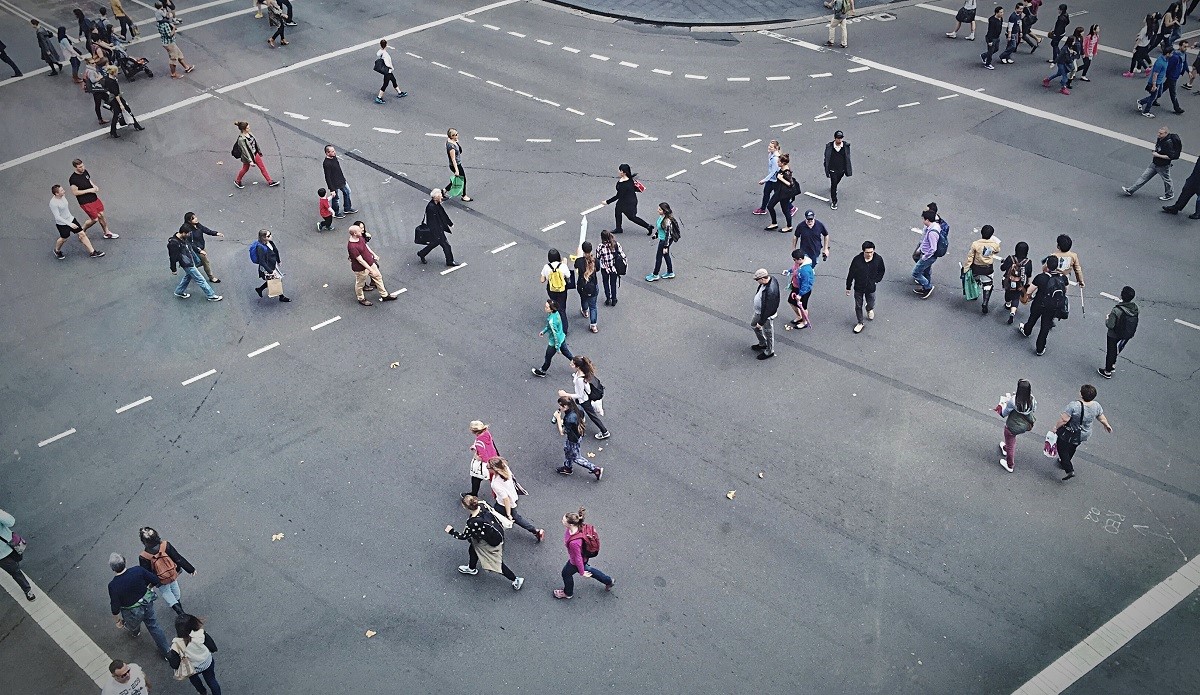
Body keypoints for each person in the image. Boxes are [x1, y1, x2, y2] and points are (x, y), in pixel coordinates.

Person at [444, 495, 524, 590]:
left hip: (486, 542)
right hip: (492, 535)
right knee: (473, 550)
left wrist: (451, 531)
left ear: (465, 507)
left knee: (495, 562)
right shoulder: (482, 505)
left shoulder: (473, 522)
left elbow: (464, 536)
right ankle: (471, 567)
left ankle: (515, 579)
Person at [108, 552, 171, 656]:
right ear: (124, 562)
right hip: (146, 603)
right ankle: (166, 651)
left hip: (131, 611)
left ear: (112, 568)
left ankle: (135, 631)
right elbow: (155, 580)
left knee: (132, 624)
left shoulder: (113, 585)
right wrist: (148, 588)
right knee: (153, 625)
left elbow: (115, 608)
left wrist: (118, 621)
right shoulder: (138, 570)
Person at [1052, 385, 1112, 481]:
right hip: (1083, 433)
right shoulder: (1096, 405)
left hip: (1070, 433)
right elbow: (1100, 416)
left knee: (1062, 448)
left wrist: (1055, 428)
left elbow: (1064, 420)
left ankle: (1068, 469)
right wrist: (1106, 424)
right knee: (1073, 446)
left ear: (1081, 394)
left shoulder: (1074, 406)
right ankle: (1065, 461)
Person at [553, 508, 614, 599]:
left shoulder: (574, 543)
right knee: (587, 569)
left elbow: (578, 558)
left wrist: (582, 572)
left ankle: (568, 593)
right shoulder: (578, 527)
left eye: (564, 520)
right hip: (584, 556)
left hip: (575, 561)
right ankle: (608, 581)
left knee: (566, 574)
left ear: (571, 524)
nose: (562, 521)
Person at [137, 527, 195, 616]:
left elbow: (146, 573)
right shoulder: (166, 545)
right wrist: (190, 569)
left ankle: (179, 610)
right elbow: (178, 558)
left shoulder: (144, 556)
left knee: (167, 593)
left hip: (159, 580)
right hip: (172, 573)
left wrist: (149, 585)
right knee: (175, 588)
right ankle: (178, 603)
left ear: (144, 542)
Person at [1017, 255, 1067, 356]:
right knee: (1045, 326)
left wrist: (1029, 297)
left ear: (1047, 266)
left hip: (1039, 303)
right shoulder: (1063, 278)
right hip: (1052, 306)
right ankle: (1040, 348)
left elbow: (1029, 291)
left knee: (1033, 318)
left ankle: (1027, 331)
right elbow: (1064, 291)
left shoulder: (1041, 277)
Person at [487, 457, 544, 542]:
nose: (487, 468)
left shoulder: (496, 484)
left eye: (488, 467)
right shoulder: (505, 468)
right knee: (502, 515)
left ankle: (535, 531)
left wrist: (508, 514)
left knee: (504, 517)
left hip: (503, 504)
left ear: (494, 469)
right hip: (512, 496)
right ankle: (535, 531)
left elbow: (505, 499)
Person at [347, 223, 400, 306]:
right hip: (361, 269)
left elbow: (365, 246)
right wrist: (371, 270)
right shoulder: (352, 246)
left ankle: (384, 295)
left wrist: (373, 254)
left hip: (370, 263)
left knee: (378, 277)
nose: (362, 231)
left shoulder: (360, 238)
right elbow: (360, 261)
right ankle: (361, 298)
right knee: (360, 284)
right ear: (354, 233)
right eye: (359, 230)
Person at [558, 355, 610, 439]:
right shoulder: (584, 372)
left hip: (584, 400)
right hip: (582, 399)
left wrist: (565, 394)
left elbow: (580, 395)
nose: (570, 364)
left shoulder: (580, 380)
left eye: (572, 364)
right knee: (578, 407)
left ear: (578, 366)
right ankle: (581, 417)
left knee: (592, 416)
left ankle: (604, 432)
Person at [169, 614, 221, 695]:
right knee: (211, 680)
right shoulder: (200, 634)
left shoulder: (176, 644)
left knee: (195, 680)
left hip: (192, 668)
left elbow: (174, 664)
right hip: (207, 662)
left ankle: (202, 691)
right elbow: (212, 647)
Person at [553, 396, 602, 480]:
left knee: (576, 458)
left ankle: (595, 469)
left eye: (561, 406)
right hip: (577, 434)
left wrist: (558, 418)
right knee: (567, 450)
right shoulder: (577, 409)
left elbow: (562, 432)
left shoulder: (569, 418)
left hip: (573, 439)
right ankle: (567, 467)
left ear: (566, 406)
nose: (559, 408)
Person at [1123, 126, 1180, 198]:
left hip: (1163, 165)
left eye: (1161, 133)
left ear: (1166, 133)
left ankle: (1169, 194)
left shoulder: (1169, 143)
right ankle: (1130, 190)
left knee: (1166, 180)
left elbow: (1170, 156)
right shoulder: (1160, 139)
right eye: (1159, 132)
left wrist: (1157, 155)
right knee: (1144, 177)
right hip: (1155, 163)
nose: (1158, 134)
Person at [50, 184, 103, 259]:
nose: (64, 191)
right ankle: (57, 250)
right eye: (62, 190)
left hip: (71, 219)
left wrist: (71, 222)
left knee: (82, 234)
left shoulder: (62, 196)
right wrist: (69, 224)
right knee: (64, 238)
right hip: (62, 224)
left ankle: (92, 252)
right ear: (56, 193)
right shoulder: (53, 203)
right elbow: (57, 217)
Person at [168, 227, 221, 301]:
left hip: (190, 261)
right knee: (201, 279)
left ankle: (179, 291)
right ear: (183, 233)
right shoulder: (174, 243)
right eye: (188, 233)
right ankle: (211, 295)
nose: (189, 235)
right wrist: (173, 269)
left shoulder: (183, 238)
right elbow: (172, 257)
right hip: (186, 263)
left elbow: (190, 245)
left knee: (188, 277)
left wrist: (199, 251)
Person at [70, 159, 118, 239]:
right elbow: (75, 192)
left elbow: (88, 180)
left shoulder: (85, 171)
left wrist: (94, 186)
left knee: (101, 214)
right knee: (95, 219)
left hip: (93, 197)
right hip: (85, 201)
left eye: (82, 165)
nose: (82, 168)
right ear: (75, 168)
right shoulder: (73, 179)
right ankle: (82, 230)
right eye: (80, 167)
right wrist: (89, 190)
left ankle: (107, 232)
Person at [1098, 286, 1139, 378]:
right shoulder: (1135, 308)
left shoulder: (1116, 310)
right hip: (1126, 333)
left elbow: (1110, 325)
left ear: (1122, 295)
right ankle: (1113, 365)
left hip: (1114, 334)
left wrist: (1107, 318)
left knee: (1111, 351)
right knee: (1117, 349)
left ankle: (1107, 371)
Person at [997, 379, 1036, 472]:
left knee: (1011, 443)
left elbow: (1004, 412)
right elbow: (1033, 409)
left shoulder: (1013, 401)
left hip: (1013, 425)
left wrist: (1001, 408)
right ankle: (1005, 448)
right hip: (1025, 424)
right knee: (1010, 440)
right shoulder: (1032, 400)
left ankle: (1009, 465)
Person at [846, 240, 885, 333]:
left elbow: (881, 270)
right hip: (859, 287)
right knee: (858, 305)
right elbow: (851, 273)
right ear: (863, 251)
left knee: (871, 302)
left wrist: (876, 280)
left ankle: (869, 308)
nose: (869, 254)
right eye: (867, 252)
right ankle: (860, 322)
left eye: (871, 252)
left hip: (871, 287)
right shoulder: (857, 260)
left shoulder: (878, 259)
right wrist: (848, 287)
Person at [602, 164, 653, 234]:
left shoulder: (624, 184)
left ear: (624, 173)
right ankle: (618, 228)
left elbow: (618, 196)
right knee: (618, 211)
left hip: (628, 203)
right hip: (626, 200)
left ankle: (648, 226)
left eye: (621, 171)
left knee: (632, 217)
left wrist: (607, 202)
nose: (619, 172)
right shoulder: (629, 180)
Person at [963, 224, 1001, 313]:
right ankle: (985, 302)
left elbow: (970, 257)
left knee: (975, 280)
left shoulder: (975, 244)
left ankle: (975, 294)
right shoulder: (994, 245)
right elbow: (997, 250)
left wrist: (966, 268)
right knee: (988, 285)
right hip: (988, 268)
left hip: (976, 267)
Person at [532, 299, 574, 377]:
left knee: (548, 357)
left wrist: (557, 347)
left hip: (554, 342)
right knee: (567, 353)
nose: (545, 308)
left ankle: (543, 371)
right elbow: (550, 327)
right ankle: (580, 365)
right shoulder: (556, 314)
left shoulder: (552, 320)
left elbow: (555, 335)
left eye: (547, 307)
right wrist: (544, 331)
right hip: (562, 337)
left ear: (551, 309)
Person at [0, 509, 34, 601]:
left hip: (12, 544)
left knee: (18, 559)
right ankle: (27, 589)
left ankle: (16, 565)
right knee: (15, 571)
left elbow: (11, 522)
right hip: (1, 557)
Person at [417, 189, 457, 266]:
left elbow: (443, 214)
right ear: (436, 197)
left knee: (434, 243)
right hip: (437, 230)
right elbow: (433, 222)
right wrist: (439, 232)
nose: (442, 197)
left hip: (438, 229)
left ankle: (422, 253)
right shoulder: (431, 207)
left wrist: (450, 223)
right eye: (440, 196)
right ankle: (450, 261)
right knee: (446, 246)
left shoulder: (436, 204)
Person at [233, 120, 279, 189]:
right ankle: (237, 181)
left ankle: (270, 181)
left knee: (262, 167)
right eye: (248, 128)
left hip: (255, 153)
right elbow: (245, 151)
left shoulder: (249, 134)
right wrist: (250, 161)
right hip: (247, 157)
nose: (249, 128)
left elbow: (255, 144)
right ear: (244, 129)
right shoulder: (241, 139)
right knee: (245, 169)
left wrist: (258, 152)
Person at [181, 212, 223, 285]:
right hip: (196, 249)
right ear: (189, 221)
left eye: (195, 217)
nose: (196, 219)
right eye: (193, 218)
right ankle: (211, 277)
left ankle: (192, 270)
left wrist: (216, 233)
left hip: (201, 247)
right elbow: (189, 243)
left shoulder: (197, 225)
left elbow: (205, 230)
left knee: (199, 262)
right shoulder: (188, 230)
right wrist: (199, 250)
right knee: (206, 262)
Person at [103, 65, 144, 138]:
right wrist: (121, 104)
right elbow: (116, 94)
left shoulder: (107, 78)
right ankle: (135, 125)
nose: (117, 72)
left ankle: (113, 131)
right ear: (113, 72)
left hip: (112, 99)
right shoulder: (112, 82)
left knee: (117, 114)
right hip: (116, 100)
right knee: (123, 111)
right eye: (116, 71)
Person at [1000, 241, 1033, 325]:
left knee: (1008, 293)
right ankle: (1013, 312)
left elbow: (1002, 268)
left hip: (1008, 281)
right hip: (1020, 283)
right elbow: (1029, 274)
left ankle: (1008, 304)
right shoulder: (1028, 262)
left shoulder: (1010, 258)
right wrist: (1027, 284)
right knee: (1016, 297)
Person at [251, 228, 289, 302]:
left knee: (273, 280)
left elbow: (275, 250)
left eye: (270, 234)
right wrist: (270, 271)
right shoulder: (260, 248)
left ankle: (260, 289)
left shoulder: (269, 242)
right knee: (276, 279)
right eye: (268, 236)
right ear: (263, 238)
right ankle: (281, 297)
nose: (271, 236)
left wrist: (278, 260)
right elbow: (262, 261)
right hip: (267, 267)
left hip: (273, 265)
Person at [750, 268, 780, 361]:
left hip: (766, 316)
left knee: (768, 332)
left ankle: (769, 351)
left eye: (757, 280)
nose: (757, 282)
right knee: (754, 325)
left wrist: (761, 322)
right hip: (759, 312)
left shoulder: (770, 291)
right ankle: (762, 343)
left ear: (762, 279)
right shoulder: (770, 280)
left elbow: (768, 309)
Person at [541, 248, 572, 334]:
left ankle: (554, 325)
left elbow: (542, 280)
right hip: (562, 290)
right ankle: (564, 330)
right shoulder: (562, 266)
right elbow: (568, 276)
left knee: (554, 306)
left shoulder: (546, 267)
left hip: (552, 289)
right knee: (562, 309)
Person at [645, 202, 678, 282]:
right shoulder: (661, 217)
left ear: (664, 211)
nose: (658, 210)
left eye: (660, 209)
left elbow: (668, 234)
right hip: (663, 239)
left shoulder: (667, 221)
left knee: (659, 257)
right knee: (666, 256)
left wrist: (665, 246)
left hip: (664, 241)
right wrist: (656, 235)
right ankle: (670, 272)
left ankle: (655, 274)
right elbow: (660, 228)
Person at [912, 209, 941, 299]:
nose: (923, 221)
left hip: (928, 256)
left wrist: (925, 256)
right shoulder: (935, 226)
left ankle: (928, 287)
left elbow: (933, 248)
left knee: (915, 273)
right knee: (926, 271)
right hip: (926, 253)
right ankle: (925, 287)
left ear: (927, 220)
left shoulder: (932, 232)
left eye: (923, 219)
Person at [767, 154, 798, 232]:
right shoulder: (783, 168)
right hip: (779, 192)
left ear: (783, 163)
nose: (777, 163)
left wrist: (781, 178)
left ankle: (789, 226)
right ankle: (774, 223)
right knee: (770, 206)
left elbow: (790, 184)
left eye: (779, 162)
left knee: (785, 210)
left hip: (784, 194)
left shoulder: (787, 172)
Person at [783, 249, 814, 330]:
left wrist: (800, 294)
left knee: (803, 307)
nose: (794, 261)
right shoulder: (798, 264)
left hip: (803, 291)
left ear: (800, 259)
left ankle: (804, 322)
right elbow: (794, 268)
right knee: (791, 301)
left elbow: (805, 284)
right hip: (796, 287)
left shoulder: (805, 270)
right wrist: (789, 271)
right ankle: (800, 316)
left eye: (794, 259)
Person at [322, 145, 356, 218]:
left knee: (347, 192)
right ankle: (336, 212)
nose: (335, 152)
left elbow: (338, 170)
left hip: (341, 180)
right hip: (334, 184)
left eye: (334, 151)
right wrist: (332, 189)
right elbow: (327, 177)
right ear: (327, 153)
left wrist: (343, 178)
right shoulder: (326, 163)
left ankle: (347, 208)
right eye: (333, 151)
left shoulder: (334, 158)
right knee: (336, 198)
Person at [1138, 45, 1172, 117]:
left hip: (1160, 81)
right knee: (1153, 97)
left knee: (1158, 94)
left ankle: (1141, 101)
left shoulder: (1165, 59)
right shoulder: (1160, 62)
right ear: (1168, 54)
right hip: (1156, 82)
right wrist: (1154, 85)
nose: (1172, 55)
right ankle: (1146, 111)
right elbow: (1155, 74)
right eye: (1171, 53)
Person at [574, 242, 600, 332]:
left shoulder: (580, 261)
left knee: (583, 299)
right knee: (593, 306)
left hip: (582, 286)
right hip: (593, 287)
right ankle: (593, 325)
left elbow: (575, 266)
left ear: (583, 250)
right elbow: (598, 268)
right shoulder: (595, 261)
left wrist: (578, 255)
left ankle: (585, 311)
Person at [822, 130, 852, 210]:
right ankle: (834, 201)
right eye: (838, 138)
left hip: (841, 169)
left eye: (841, 138)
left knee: (837, 180)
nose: (839, 140)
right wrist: (826, 167)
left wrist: (847, 168)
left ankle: (833, 187)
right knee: (834, 183)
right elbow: (826, 158)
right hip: (832, 169)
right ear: (835, 138)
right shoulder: (829, 146)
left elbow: (847, 157)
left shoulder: (846, 146)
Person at [468, 421, 498, 497]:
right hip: (494, 457)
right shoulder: (487, 433)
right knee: (495, 479)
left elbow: (484, 458)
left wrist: (477, 457)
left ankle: (474, 494)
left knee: (475, 478)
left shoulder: (479, 443)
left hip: (488, 464)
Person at [597, 229, 626, 307]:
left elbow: (598, 257)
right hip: (614, 268)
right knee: (613, 284)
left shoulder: (600, 246)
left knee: (605, 283)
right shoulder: (615, 244)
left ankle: (608, 298)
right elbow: (623, 255)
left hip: (604, 269)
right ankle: (614, 299)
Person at [374, 38, 407, 103]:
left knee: (393, 80)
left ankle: (399, 92)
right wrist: (391, 67)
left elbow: (378, 54)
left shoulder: (380, 52)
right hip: (388, 71)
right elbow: (387, 63)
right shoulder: (385, 54)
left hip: (388, 71)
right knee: (385, 84)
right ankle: (379, 97)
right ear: (386, 45)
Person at [753, 140, 780, 216]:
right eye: (769, 146)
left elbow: (773, 172)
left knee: (779, 195)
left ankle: (791, 207)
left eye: (771, 147)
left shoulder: (775, 159)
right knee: (766, 193)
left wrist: (764, 180)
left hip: (776, 180)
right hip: (771, 179)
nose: (769, 147)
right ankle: (763, 208)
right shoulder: (770, 155)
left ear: (776, 148)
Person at [1161, 39, 1189, 114]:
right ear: (1180, 46)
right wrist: (1167, 74)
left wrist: (1188, 72)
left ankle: (1153, 98)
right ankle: (1177, 108)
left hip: (1175, 75)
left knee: (1164, 87)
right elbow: (1169, 66)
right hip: (1172, 76)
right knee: (1173, 92)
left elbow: (1185, 63)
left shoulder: (1184, 54)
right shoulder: (1175, 56)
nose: (1186, 48)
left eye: (1186, 47)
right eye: (1184, 46)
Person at [445, 128, 471, 202]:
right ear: (452, 136)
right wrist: (456, 170)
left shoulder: (452, 141)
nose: (457, 135)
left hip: (456, 164)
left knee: (458, 180)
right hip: (456, 165)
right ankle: (464, 196)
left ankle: (444, 191)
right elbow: (453, 159)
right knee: (463, 180)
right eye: (456, 135)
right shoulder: (451, 147)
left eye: (457, 133)